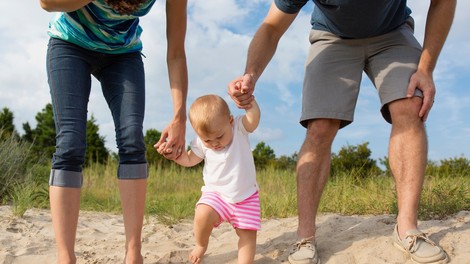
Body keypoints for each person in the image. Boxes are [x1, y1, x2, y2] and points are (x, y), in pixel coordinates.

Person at [228, 0, 456, 264]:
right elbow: (271, 27)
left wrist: (425, 69)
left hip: (392, 32)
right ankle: (305, 236)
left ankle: (407, 228)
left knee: (410, 106)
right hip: (331, 37)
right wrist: (250, 74)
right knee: (320, 126)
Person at [38, 0, 188, 263]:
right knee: (71, 144)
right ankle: (66, 257)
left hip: (123, 53)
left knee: (132, 140)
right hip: (70, 43)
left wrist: (179, 117)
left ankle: (134, 253)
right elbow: (47, 3)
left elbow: (176, 51)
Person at [156, 94, 261, 264]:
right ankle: (200, 245)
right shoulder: (200, 143)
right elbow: (190, 160)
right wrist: (175, 157)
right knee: (202, 213)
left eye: (219, 137)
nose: (214, 143)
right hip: (216, 194)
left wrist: (249, 102)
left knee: (248, 235)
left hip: (246, 197)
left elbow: (254, 119)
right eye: (208, 140)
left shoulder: (239, 129)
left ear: (230, 121)